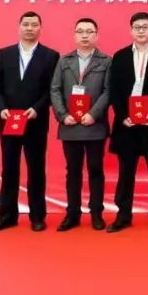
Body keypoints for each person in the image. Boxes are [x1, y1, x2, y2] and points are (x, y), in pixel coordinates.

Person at [0, 11, 60, 233]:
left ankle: (37, 216)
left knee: (36, 170)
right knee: (9, 169)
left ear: (41, 28)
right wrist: (1, 109)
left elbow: (53, 89)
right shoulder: (5, 53)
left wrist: (37, 109)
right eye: (26, 24)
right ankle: (7, 216)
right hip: (8, 121)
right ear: (19, 27)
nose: (29, 28)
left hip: (35, 122)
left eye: (34, 24)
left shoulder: (51, 55)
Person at [107, 12, 148, 233]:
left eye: (145, 27)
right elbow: (114, 90)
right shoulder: (120, 56)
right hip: (126, 124)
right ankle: (123, 215)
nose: (141, 31)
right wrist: (122, 115)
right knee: (126, 173)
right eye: (137, 27)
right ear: (131, 30)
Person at [50, 17, 112, 231]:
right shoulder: (63, 61)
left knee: (95, 170)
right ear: (75, 35)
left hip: (94, 125)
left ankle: (96, 213)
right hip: (70, 125)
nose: (85, 35)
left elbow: (108, 91)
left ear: (97, 35)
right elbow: (55, 90)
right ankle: (72, 214)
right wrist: (62, 115)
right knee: (73, 171)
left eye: (89, 31)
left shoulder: (106, 61)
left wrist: (94, 114)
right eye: (80, 31)